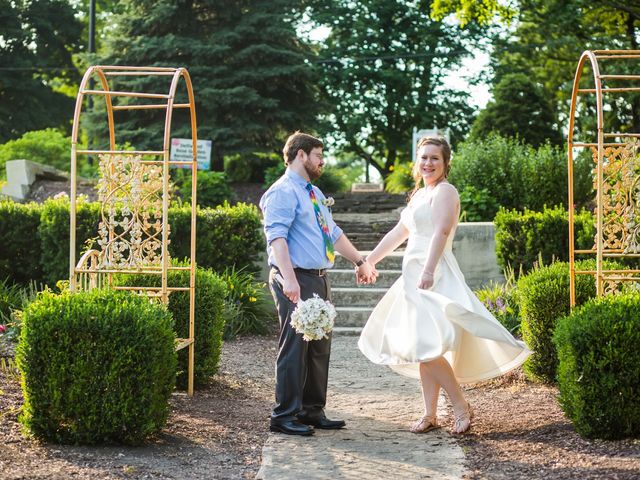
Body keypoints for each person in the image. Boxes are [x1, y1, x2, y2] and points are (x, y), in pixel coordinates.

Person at [358, 136, 530, 434]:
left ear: (445, 162)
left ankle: (461, 407)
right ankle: (430, 414)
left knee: (427, 347)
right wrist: (369, 261)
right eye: (423, 158)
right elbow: (398, 233)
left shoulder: (446, 191)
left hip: (434, 274)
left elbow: (442, 231)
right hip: (412, 277)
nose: (427, 163)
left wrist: (428, 270)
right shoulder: (418, 196)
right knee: (423, 345)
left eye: (434, 158)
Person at [260, 131, 377, 436]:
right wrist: (289, 279)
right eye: (318, 155)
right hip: (295, 277)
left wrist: (360, 261)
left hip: (319, 279)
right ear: (301, 155)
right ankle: (284, 415)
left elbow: (333, 233)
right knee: (295, 347)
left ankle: (312, 410)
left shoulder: (313, 192)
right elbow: (277, 239)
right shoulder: (282, 192)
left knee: (319, 348)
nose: (322, 161)